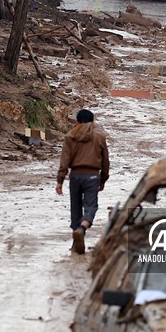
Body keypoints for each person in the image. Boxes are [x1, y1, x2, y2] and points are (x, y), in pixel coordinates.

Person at [56, 109, 110, 254]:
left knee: (76, 207)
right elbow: (105, 161)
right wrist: (103, 179)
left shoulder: (70, 136)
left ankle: (76, 242)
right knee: (90, 206)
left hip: (75, 176)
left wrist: (60, 180)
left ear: (77, 122)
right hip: (92, 176)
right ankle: (82, 227)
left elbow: (64, 160)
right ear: (93, 122)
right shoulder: (100, 137)